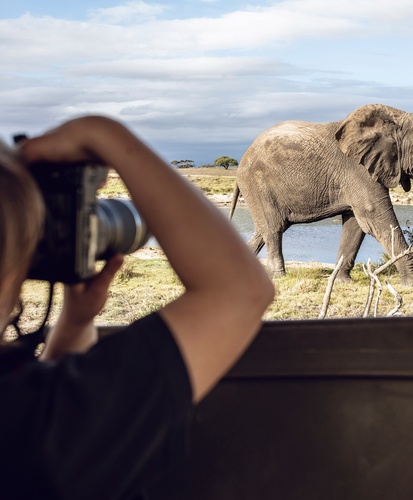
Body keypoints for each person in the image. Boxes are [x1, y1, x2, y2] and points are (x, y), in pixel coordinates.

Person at [0, 116, 275, 499]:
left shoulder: (30, 416)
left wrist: (76, 321)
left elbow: (52, 399)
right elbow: (238, 291)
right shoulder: (35, 429)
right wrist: (105, 135)